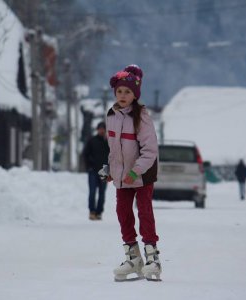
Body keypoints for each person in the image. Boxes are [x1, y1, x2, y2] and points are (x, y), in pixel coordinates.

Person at [104, 64, 162, 282]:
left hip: (141, 174)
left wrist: (136, 172)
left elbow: (150, 150)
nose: (122, 95)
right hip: (121, 176)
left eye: (127, 92)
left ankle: (152, 257)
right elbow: (114, 149)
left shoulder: (141, 116)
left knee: (144, 213)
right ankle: (132, 257)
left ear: (135, 94)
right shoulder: (112, 115)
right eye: (119, 91)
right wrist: (111, 170)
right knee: (123, 213)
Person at [82, 121, 110, 220]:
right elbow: (85, 154)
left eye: (103, 129)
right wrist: (88, 166)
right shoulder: (92, 140)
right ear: (97, 130)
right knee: (92, 191)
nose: (102, 131)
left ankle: (99, 212)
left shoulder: (109, 142)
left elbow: (113, 155)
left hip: (104, 170)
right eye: (100, 129)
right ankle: (92, 211)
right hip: (93, 170)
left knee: (102, 193)